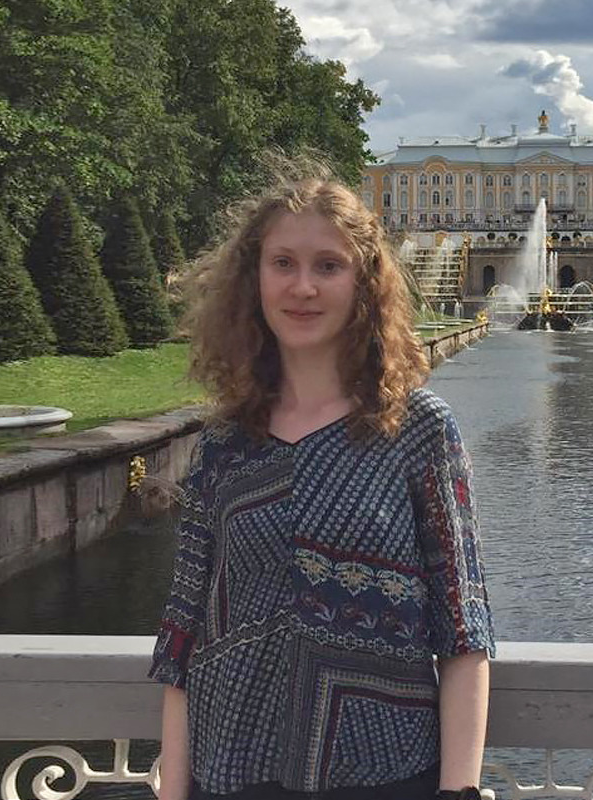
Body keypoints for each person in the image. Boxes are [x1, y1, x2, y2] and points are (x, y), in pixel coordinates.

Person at [148, 157, 494, 800]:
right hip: (233, 769)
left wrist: (459, 792)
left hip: (384, 772)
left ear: (364, 284)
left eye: (327, 266)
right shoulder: (224, 445)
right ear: (254, 279)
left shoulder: (417, 430)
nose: (302, 286)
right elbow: (184, 633)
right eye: (283, 263)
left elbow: (463, 625)